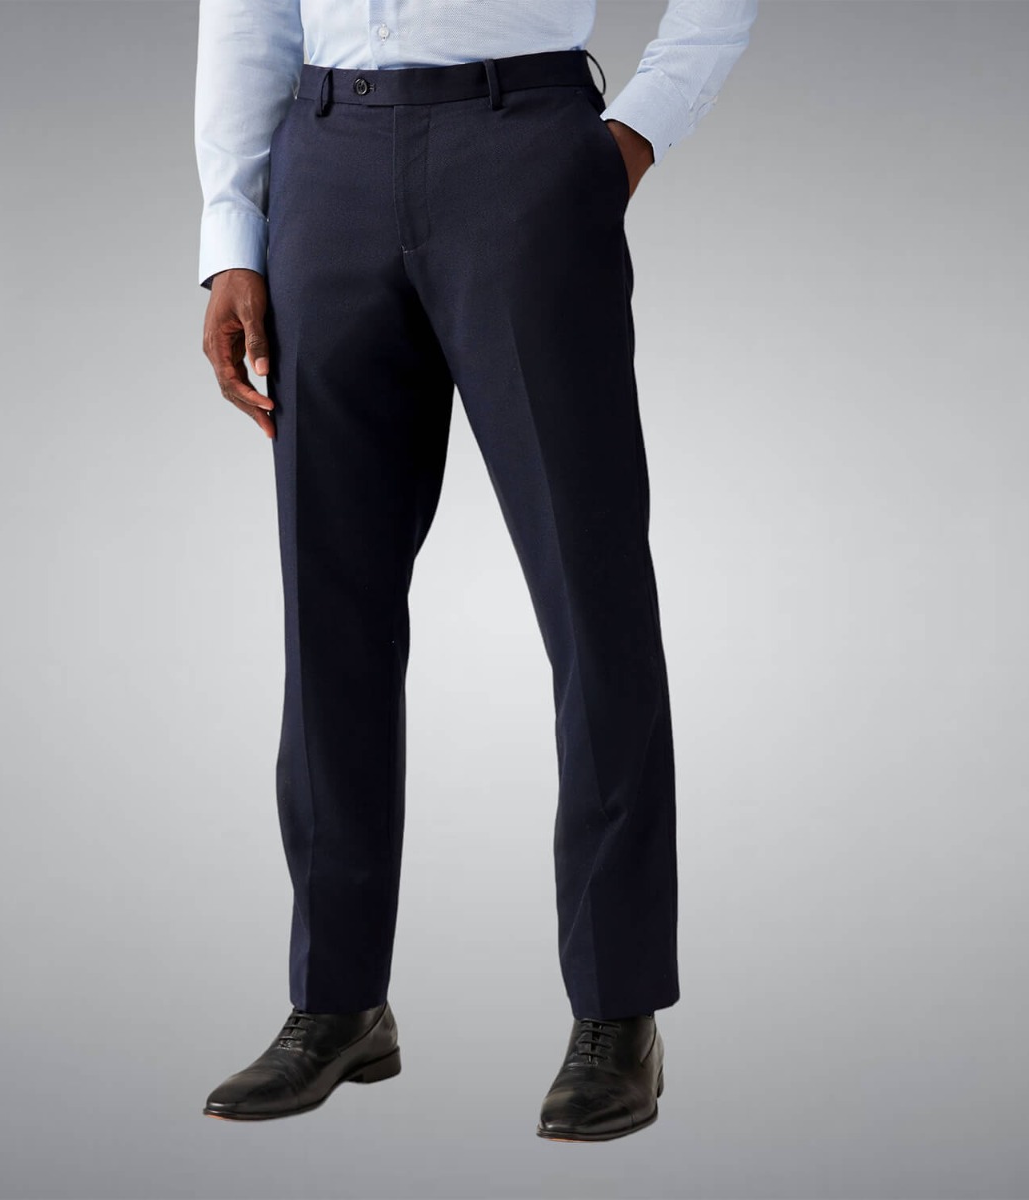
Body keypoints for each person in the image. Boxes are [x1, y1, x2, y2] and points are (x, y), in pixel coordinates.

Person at [195, 0, 757, 1142]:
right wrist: (231, 239)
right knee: (330, 611)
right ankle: (337, 1002)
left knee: (591, 598)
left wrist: (637, 129)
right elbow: (247, 14)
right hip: (326, 162)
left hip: (523, 148)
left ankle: (618, 1013)